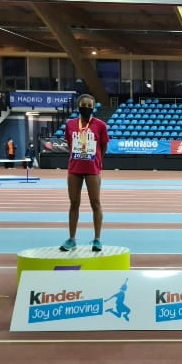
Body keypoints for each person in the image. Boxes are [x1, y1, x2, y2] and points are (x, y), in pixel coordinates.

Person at [59, 95, 109, 252]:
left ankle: (97, 239)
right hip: (75, 168)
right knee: (74, 203)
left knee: (96, 203)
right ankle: (72, 239)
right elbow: (70, 144)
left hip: (93, 169)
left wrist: (97, 160)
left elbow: (104, 146)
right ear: (78, 106)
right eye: (83, 105)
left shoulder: (100, 125)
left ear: (93, 108)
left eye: (89, 105)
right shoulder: (70, 124)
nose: (86, 107)